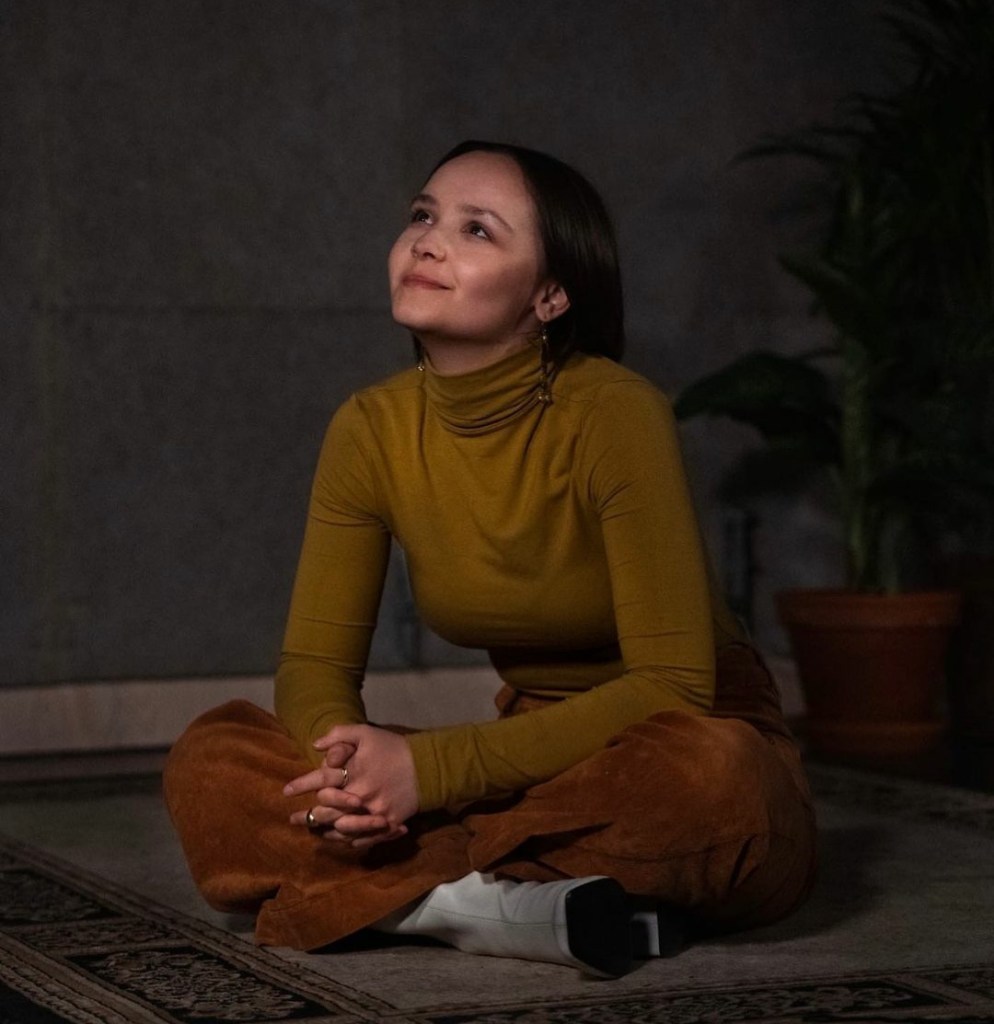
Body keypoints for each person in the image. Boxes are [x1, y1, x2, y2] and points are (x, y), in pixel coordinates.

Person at [164, 140, 817, 979]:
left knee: (714, 787)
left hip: (673, 738)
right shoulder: (369, 428)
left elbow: (674, 687)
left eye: (476, 229)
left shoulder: (617, 413)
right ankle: (493, 908)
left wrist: (429, 775)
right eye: (423, 215)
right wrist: (346, 775)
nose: (429, 241)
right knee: (212, 760)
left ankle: (403, 892)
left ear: (550, 295)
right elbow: (315, 664)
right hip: (519, 765)